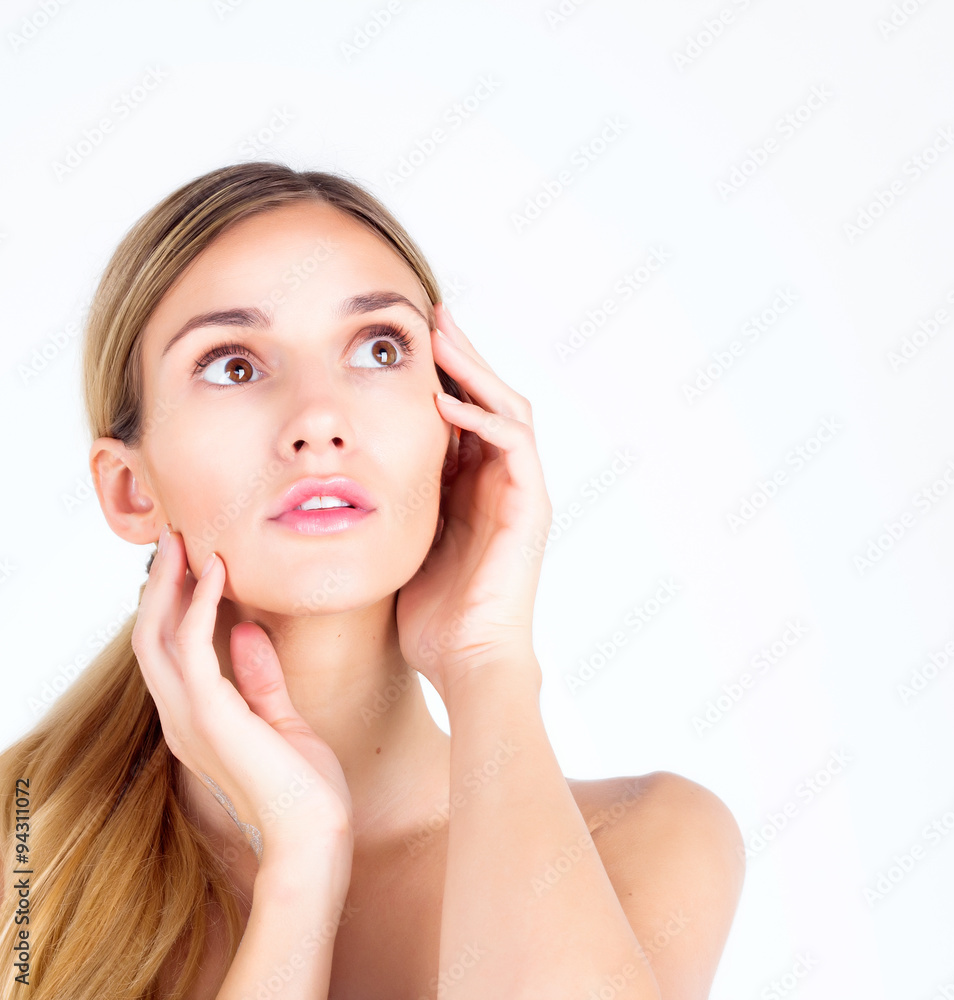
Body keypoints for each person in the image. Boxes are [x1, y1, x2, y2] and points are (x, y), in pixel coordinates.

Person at [0, 162, 745, 999]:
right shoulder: (22, 854)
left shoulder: (644, 844)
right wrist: (300, 867)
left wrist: (486, 660)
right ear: (130, 489)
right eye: (232, 365)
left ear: (457, 432)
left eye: (378, 349)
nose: (320, 418)